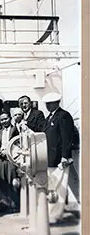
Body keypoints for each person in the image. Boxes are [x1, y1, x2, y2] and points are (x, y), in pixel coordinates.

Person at [41, 92, 75, 223]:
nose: (48, 106)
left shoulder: (64, 116)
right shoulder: (50, 117)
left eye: (50, 104)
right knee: (52, 186)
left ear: (57, 103)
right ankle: (51, 213)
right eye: (47, 104)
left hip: (59, 159)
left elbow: (67, 138)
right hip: (49, 158)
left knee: (59, 187)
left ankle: (56, 215)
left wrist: (65, 157)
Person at [0, 111, 20, 213]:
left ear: (10, 118)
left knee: (12, 179)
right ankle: (2, 204)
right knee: (1, 180)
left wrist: (9, 153)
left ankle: (14, 204)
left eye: (6, 119)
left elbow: (18, 142)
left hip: (11, 158)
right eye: (2, 119)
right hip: (1, 158)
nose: (4, 121)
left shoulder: (15, 129)